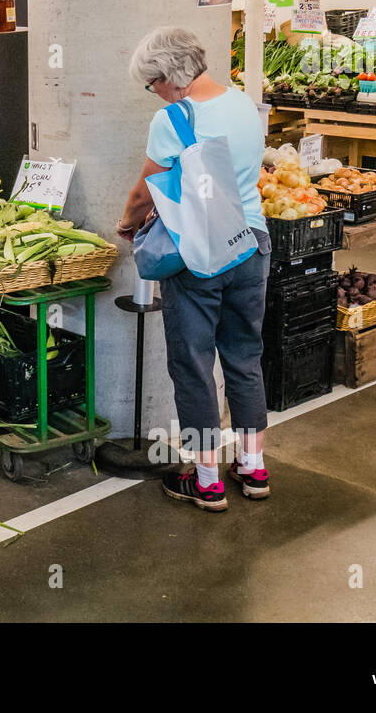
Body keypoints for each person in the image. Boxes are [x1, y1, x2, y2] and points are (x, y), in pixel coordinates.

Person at [116, 27, 272, 513]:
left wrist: (127, 223)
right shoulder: (245, 105)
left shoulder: (174, 118)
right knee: (245, 356)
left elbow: (146, 190)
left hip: (198, 253)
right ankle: (253, 467)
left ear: (168, 76)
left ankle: (206, 480)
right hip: (251, 242)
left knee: (193, 365)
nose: (154, 93)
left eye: (152, 83)